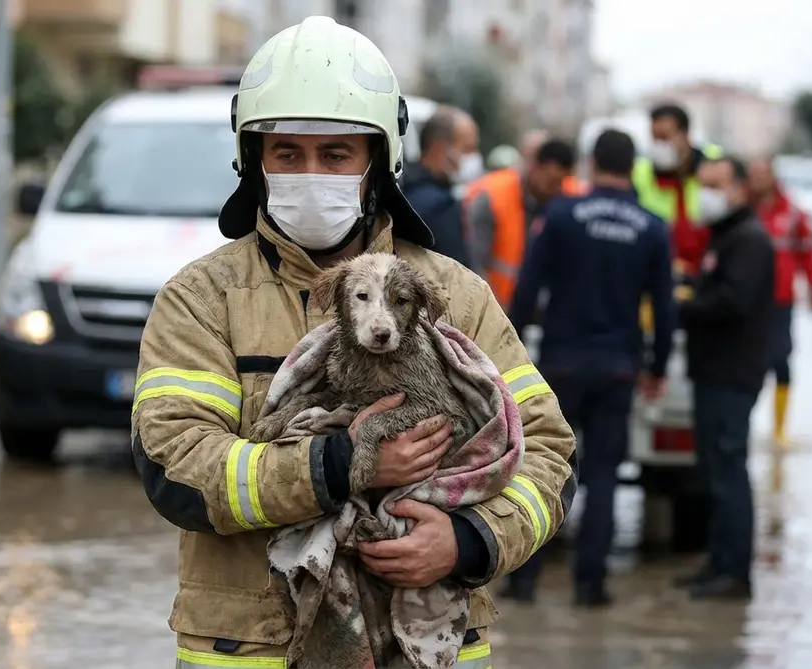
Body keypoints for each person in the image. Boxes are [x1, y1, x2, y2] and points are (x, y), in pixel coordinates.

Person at [130, 16, 578, 665]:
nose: (310, 173)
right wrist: (340, 464)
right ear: (254, 160)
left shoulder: (454, 295)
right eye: (287, 153)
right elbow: (177, 469)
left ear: (378, 162)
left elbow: (550, 454)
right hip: (252, 647)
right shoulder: (203, 299)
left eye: (335, 154)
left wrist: (469, 538)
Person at [505, 129, 676, 606]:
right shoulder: (651, 227)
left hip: (558, 365)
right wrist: (658, 366)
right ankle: (590, 585)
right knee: (602, 475)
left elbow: (526, 290)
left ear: (592, 162)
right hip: (618, 367)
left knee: (544, 468)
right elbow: (664, 310)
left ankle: (523, 582)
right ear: (631, 165)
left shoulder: (561, 215)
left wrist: (504, 351)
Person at [675, 156, 775, 600]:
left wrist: (683, 306)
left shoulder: (749, 241)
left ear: (737, 188)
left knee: (728, 468)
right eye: (702, 186)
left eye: (714, 185)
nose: (705, 195)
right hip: (714, 370)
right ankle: (717, 561)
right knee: (713, 470)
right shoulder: (726, 236)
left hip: (733, 373)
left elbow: (733, 302)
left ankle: (735, 572)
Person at [748, 157, 812, 451]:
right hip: (748, 299)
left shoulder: (791, 211)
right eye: (754, 175)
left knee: (781, 360)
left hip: (780, 299)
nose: (758, 180)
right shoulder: (744, 209)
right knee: (748, 362)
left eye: (763, 174)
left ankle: (779, 429)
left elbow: (807, 251)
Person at [464, 139, 577, 304]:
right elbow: (474, 261)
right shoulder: (493, 197)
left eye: (559, 182)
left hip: (547, 311)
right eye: (550, 179)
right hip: (499, 305)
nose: (553, 187)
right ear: (535, 166)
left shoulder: (572, 199)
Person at [632, 103, 724, 279]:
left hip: (706, 275)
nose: (659, 145)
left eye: (665, 137)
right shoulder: (640, 173)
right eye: (654, 138)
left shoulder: (713, 166)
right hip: (659, 272)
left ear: (686, 135)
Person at [401, 106, 481, 268]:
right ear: (439, 148)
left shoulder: (402, 187)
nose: (472, 158)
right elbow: (456, 277)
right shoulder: (440, 206)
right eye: (467, 148)